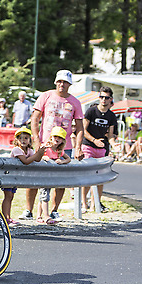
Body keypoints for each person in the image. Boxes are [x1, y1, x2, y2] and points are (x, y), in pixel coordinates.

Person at [19, 70, 84, 221]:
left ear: (70, 84)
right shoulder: (46, 96)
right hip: (44, 144)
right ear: (55, 82)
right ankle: (29, 210)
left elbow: (80, 127)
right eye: (60, 81)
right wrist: (36, 140)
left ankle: (54, 210)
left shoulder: (75, 102)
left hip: (64, 145)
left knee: (60, 181)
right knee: (35, 178)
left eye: (65, 82)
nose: (62, 84)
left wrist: (78, 147)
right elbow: (35, 118)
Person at [81, 86, 118, 212]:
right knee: (87, 175)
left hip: (102, 149)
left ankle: (95, 204)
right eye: (101, 97)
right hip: (88, 145)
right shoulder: (91, 111)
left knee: (100, 178)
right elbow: (83, 130)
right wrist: (94, 140)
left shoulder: (112, 116)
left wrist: (114, 144)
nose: (103, 100)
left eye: (106, 98)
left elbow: (110, 135)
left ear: (110, 99)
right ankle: (84, 204)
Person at [2, 127, 46, 227]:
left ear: (30, 140)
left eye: (26, 138)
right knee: (8, 196)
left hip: (15, 177)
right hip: (9, 175)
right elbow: (25, 161)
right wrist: (37, 154)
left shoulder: (29, 150)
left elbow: (37, 159)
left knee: (11, 197)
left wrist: (41, 152)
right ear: (16, 140)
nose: (23, 140)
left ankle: (8, 217)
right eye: (20, 138)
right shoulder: (16, 149)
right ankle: (5, 218)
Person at [39, 127, 71, 224]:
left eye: (60, 138)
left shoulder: (59, 151)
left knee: (44, 196)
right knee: (44, 196)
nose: (57, 139)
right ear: (51, 137)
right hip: (44, 176)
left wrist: (61, 161)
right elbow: (38, 155)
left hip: (52, 177)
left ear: (62, 141)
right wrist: (44, 156)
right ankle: (46, 216)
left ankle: (39, 216)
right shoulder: (46, 148)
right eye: (55, 137)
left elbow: (68, 159)